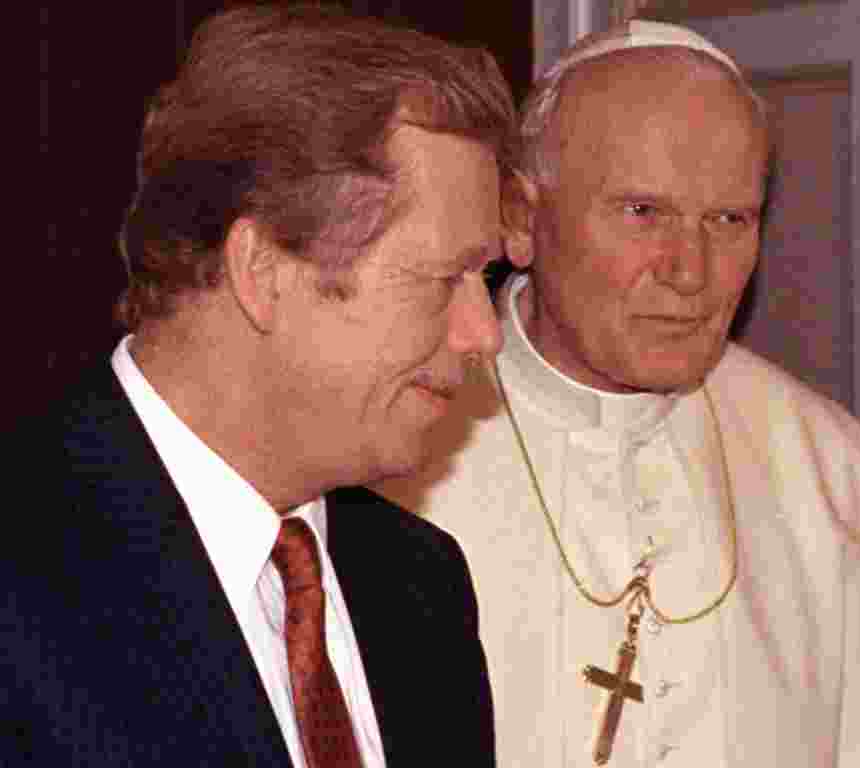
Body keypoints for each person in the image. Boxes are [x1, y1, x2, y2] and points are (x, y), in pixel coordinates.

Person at [375, 20, 860, 767]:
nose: (690, 271)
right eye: (643, 212)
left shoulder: (827, 465)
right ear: (520, 218)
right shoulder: (393, 452)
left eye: (729, 219)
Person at [4, 4, 521, 766]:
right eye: (444, 279)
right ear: (263, 270)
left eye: (485, 280)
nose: (484, 333)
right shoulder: (22, 578)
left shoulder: (420, 586)